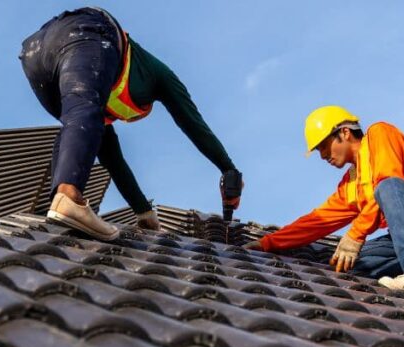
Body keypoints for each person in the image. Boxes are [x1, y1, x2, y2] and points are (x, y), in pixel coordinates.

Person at [19, 7, 242, 240]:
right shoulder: (158, 75)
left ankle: (57, 207)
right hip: (87, 31)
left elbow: (113, 159)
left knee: (77, 128)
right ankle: (68, 196)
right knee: (84, 114)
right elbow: (193, 123)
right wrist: (228, 169)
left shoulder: (97, 100)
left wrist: (143, 212)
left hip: (35, 54)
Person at [244, 106, 404, 296]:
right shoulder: (351, 183)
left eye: (323, 146)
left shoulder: (379, 134)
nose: (323, 156)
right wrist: (268, 243)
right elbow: (317, 220)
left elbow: (389, 181)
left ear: (344, 133)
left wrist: (355, 235)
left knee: (388, 186)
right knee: (351, 265)